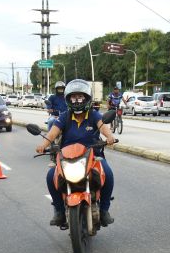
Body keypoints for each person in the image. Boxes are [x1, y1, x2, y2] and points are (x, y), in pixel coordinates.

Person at [36, 79, 116, 227]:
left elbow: (103, 127)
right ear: (68, 99)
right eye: (74, 97)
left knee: (108, 173)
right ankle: (59, 211)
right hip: (67, 157)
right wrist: (43, 144)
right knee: (50, 176)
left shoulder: (94, 115)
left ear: (87, 98)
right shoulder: (64, 117)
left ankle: (104, 210)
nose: (77, 100)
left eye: (80, 97)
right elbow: (52, 134)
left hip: (92, 156)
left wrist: (110, 137)